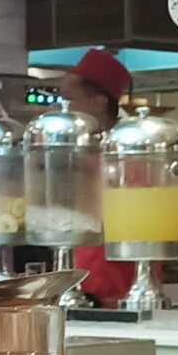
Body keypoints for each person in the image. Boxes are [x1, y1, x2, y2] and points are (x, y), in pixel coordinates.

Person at [53, 47, 136, 303]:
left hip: (112, 291)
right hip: (73, 285)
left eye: (68, 99)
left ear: (98, 102)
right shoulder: (79, 151)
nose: (61, 108)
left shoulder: (126, 156)